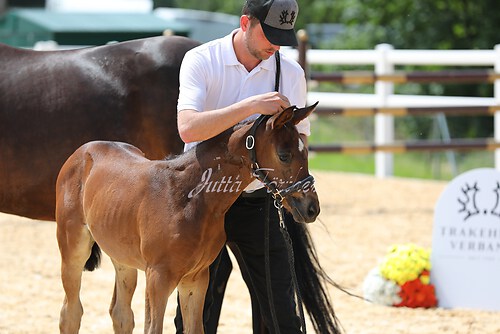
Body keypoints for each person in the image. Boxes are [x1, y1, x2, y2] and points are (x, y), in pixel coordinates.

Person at [175, 0, 335, 333]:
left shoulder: (290, 73)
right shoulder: (202, 60)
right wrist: (251, 106)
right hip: (205, 199)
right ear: (246, 22)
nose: (276, 46)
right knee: (197, 311)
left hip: (257, 200)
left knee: (281, 311)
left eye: (283, 37)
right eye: (271, 34)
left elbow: (298, 143)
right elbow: (188, 128)